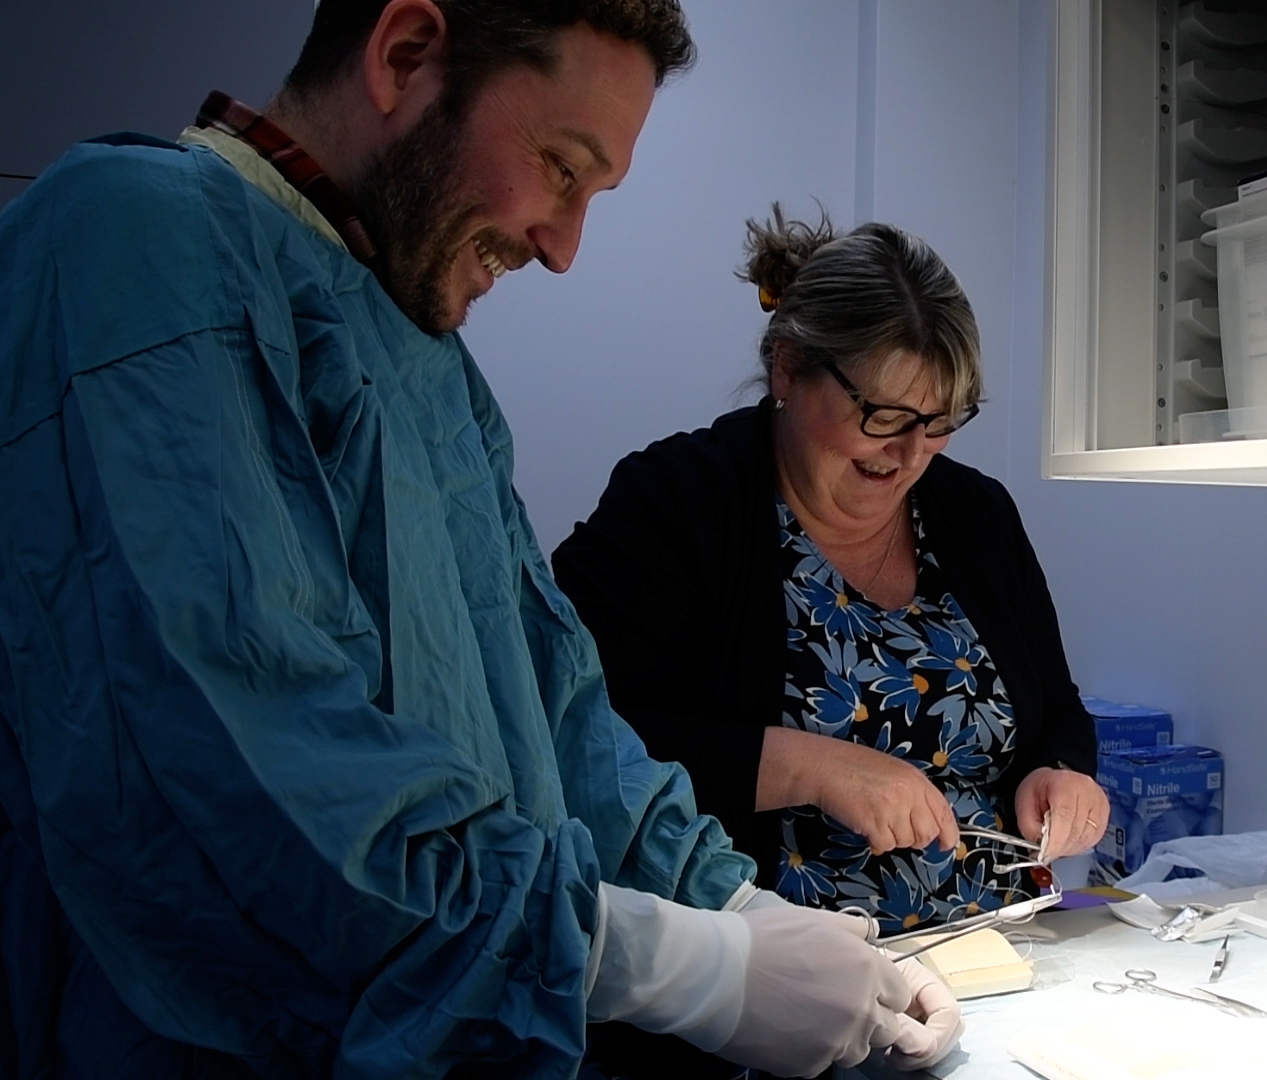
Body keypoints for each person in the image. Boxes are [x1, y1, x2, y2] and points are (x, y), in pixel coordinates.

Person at [0, 5, 961, 1078]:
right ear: (405, 54)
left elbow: (556, 715)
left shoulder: (426, 363)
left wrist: (735, 906)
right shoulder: (130, 243)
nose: (561, 248)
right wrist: (673, 964)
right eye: (559, 168)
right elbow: (244, 777)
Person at [553, 208, 1110, 938]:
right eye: (881, 415)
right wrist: (807, 766)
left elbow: (1055, 706)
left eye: (940, 420)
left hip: (999, 957)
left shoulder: (976, 515)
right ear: (788, 367)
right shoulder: (677, 502)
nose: (910, 454)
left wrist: (1063, 770)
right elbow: (573, 737)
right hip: (769, 989)